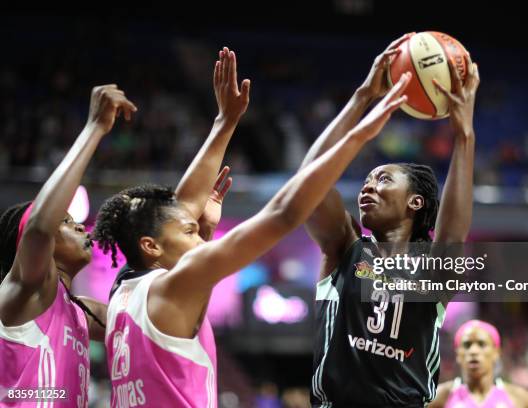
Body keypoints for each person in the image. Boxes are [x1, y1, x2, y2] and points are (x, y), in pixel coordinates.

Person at [93, 48, 412, 406]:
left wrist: (225, 122)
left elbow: (177, 208)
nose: (200, 233)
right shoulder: (177, 281)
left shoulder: (123, 291)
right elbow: (286, 213)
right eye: (190, 232)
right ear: (151, 246)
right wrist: (359, 131)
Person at [300, 33, 479, 407]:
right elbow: (309, 180)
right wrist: (363, 97)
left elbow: (453, 232)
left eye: (383, 180)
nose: (368, 188)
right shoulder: (345, 247)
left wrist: (464, 135)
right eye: (366, 181)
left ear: (415, 202)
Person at [0, 84, 137, 407]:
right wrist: (94, 128)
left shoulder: (81, 311)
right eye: (65, 222)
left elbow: (151, 318)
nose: (78, 225)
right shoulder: (23, 292)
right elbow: (38, 229)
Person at [429, 319, 528, 408]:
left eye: (481, 344)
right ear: (458, 354)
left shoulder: (519, 399)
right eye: (466, 345)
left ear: (497, 353)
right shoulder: (440, 398)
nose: (474, 351)